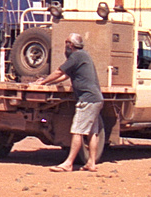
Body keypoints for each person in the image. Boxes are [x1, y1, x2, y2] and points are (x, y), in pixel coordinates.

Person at [33, 32, 104, 172]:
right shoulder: (83, 56)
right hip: (96, 99)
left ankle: (68, 163)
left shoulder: (76, 56)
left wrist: (43, 81)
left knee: (78, 130)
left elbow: (59, 72)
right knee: (92, 132)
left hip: (87, 100)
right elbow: (65, 75)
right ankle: (91, 163)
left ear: (70, 45)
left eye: (66, 43)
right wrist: (48, 82)